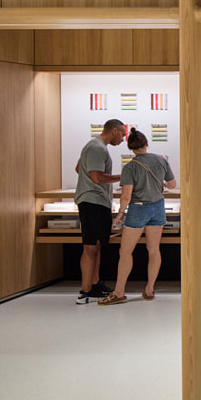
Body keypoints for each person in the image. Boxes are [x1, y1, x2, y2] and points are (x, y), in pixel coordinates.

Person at [98, 127, 176, 305]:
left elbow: (126, 196)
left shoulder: (130, 167)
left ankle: (119, 292)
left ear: (131, 148)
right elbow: (172, 184)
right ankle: (149, 289)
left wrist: (119, 215)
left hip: (138, 209)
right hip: (158, 207)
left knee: (125, 252)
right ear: (146, 144)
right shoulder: (161, 160)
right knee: (154, 250)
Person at [74, 118, 126, 304]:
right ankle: (86, 289)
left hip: (97, 200)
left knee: (96, 245)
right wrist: (123, 177)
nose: (123, 138)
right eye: (122, 134)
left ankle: (95, 284)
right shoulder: (97, 148)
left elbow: (79, 168)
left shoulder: (94, 146)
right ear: (113, 131)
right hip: (92, 201)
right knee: (90, 246)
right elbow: (96, 177)